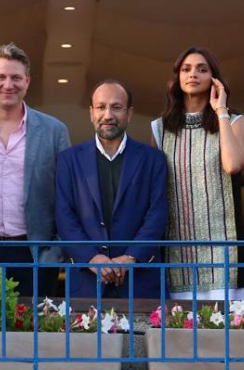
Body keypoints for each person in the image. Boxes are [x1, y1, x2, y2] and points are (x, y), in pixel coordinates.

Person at [0, 43, 71, 297]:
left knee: (35, 323)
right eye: (1, 77)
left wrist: (56, 251)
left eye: (16, 77)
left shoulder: (54, 131)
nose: (8, 85)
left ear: (27, 81)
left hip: (36, 255)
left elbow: (68, 196)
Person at [150, 46, 244, 301]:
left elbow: (233, 165)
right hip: (177, 252)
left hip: (225, 250)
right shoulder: (160, 129)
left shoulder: (234, 120)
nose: (193, 74)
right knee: (180, 324)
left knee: (226, 324)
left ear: (214, 79)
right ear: (177, 78)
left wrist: (221, 110)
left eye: (202, 69)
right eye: (186, 69)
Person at [56, 80, 167, 300]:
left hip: (140, 283)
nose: (108, 115)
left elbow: (157, 214)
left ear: (129, 113)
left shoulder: (153, 159)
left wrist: (131, 257)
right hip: (85, 283)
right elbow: (64, 215)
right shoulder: (68, 160)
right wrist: (91, 258)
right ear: (91, 113)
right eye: (101, 107)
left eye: (116, 107)